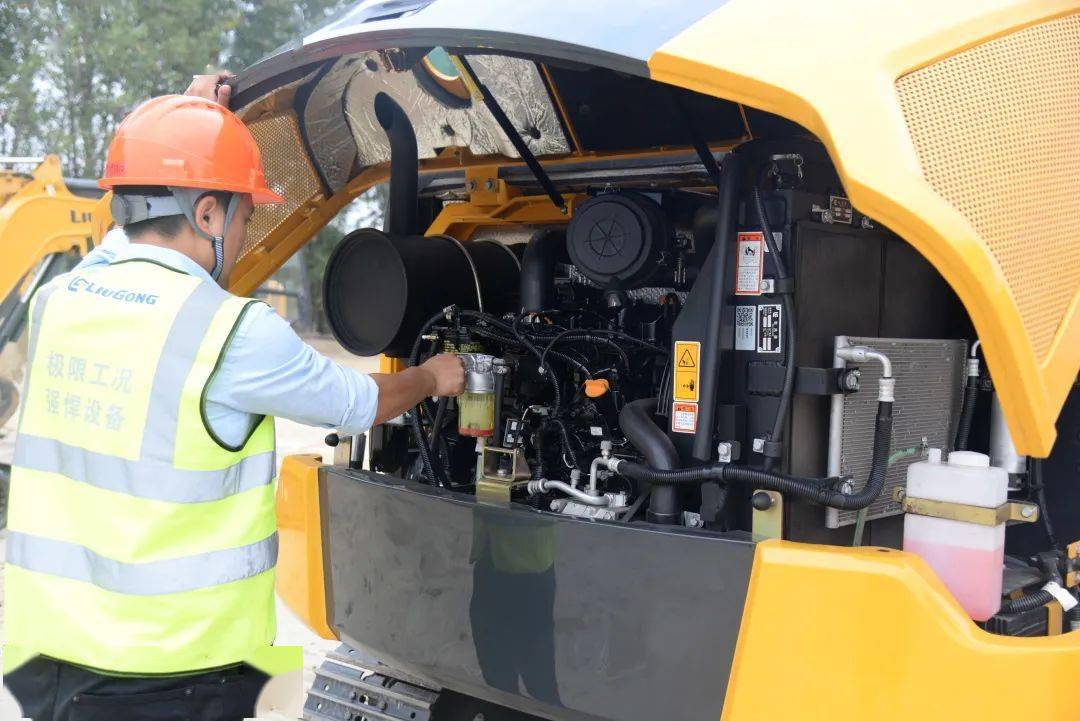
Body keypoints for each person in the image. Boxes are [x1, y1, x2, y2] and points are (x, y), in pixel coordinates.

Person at [2, 72, 465, 721]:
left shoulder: (60, 301)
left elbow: (127, 239)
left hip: (45, 661)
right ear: (208, 213)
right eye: (247, 213)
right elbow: (359, 402)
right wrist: (433, 377)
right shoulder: (230, 332)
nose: (248, 232)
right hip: (170, 675)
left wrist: (189, 125)